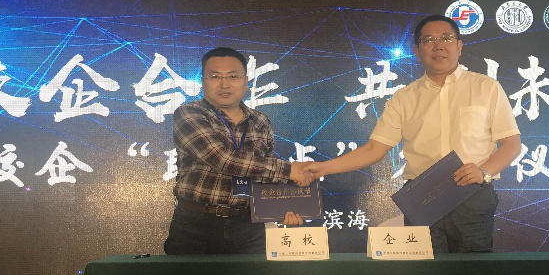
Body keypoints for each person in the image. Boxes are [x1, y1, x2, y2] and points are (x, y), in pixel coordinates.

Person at [306, 14, 522, 253]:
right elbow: (374, 149)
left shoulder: (486, 87)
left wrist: (484, 172)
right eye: (428, 40)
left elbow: (512, 144)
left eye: (446, 38)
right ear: (417, 51)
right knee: (425, 271)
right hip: (422, 198)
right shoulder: (404, 97)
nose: (438, 45)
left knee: (472, 270)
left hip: (471, 194)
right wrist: (323, 168)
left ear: (459, 46)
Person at [164, 46, 313, 255]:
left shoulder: (260, 120)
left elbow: (264, 173)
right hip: (196, 224)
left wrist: (287, 205)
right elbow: (221, 158)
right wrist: (290, 170)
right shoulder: (189, 114)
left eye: (233, 76)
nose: (224, 84)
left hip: (250, 224)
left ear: (246, 81)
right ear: (203, 82)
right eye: (215, 76)